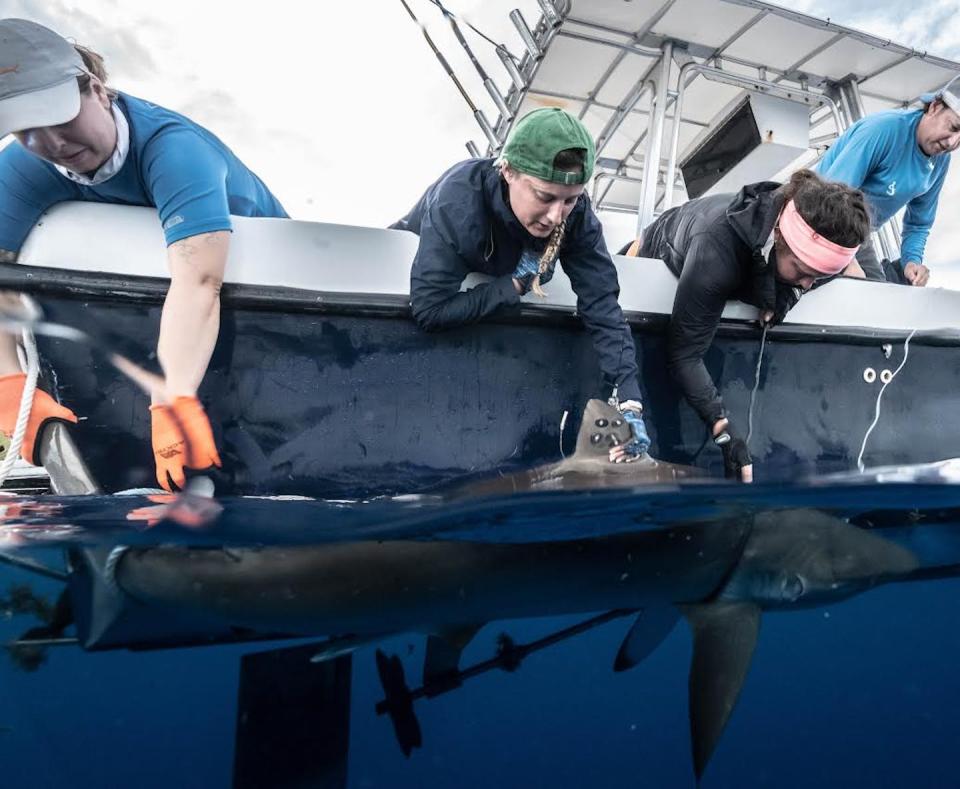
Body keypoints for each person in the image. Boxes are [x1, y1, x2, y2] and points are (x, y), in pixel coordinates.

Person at [0, 18, 288, 491]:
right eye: (26, 130)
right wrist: (7, 383)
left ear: (95, 89)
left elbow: (199, 281)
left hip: (256, 292)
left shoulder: (176, 151)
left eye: (59, 117)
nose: (53, 144)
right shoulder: (23, 165)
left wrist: (172, 396)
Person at [392, 107, 650, 461]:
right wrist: (513, 286)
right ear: (507, 170)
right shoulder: (457, 203)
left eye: (570, 200)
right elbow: (429, 309)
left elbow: (602, 304)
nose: (556, 216)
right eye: (545, 197)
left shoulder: (577, 217)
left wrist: (630, 397)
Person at [629, 170, 870, 480]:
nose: (809, 285)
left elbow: (833, 271)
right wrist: (724, 428)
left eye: (819, 276)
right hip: (657, 246)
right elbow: (684, 355)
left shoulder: (812, 250)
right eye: (801, 271)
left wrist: (786, 294)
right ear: (781, 234)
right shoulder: (716, 246)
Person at [816, 75, 960, 286]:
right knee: (865, 292)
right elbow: (830, 199)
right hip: (820, 219)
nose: (953, 143)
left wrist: (912, 261)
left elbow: (918, 224)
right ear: (935, 107)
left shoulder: (940, 160)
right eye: (954, 127)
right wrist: (845, 260)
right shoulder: (882, 130)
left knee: (881, 297)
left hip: (858, 235)